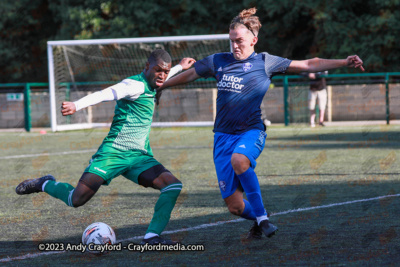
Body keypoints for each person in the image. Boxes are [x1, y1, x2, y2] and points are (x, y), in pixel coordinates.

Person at [156, 8, 364, 239]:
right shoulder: (218, 61)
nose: (235, 46)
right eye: (232, 41)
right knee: (235, 206)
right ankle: (258, 217)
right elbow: (191, 74)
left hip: (251, 131)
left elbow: (308, 64)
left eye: (240, 41)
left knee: (240, 160)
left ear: (254, 40)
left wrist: (344, 61)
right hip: (222, 138)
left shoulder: (266, 62)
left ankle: (263, 218)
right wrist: (162, 86)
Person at [15, 49, 196, 245]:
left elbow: (165, 74)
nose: (162, 75)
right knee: (76, 199)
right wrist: (77, 105)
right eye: (158, 70)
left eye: (166, 72)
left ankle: (152, 236)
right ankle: (44, 183)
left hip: (139, 157)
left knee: (173, 185)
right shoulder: (133, 85)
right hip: (113, 153)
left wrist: (180, 67)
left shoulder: (157, 81)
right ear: (147, 67)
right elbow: (105, 94)